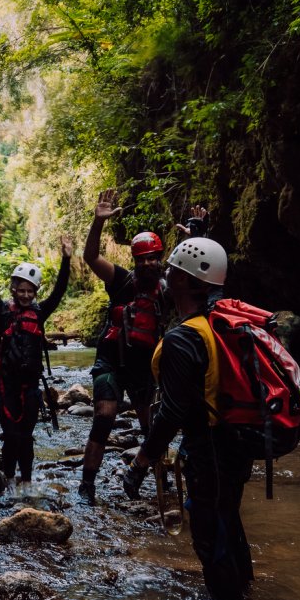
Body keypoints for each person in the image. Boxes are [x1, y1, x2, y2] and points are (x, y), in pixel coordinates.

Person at [129, 237, 255, 600]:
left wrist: (140, 463)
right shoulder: (224, 323)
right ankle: (245, 594)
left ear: (185, 281)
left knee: (208, 536)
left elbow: (171, 413)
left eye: (171, 270)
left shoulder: (184, 338)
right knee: (228, 518)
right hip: (239, 443)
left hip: (210, 448)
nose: (165, 275)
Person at [77, 189, 168, 503]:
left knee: (152, 426)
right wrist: (98, 222)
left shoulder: (168, 289)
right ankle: (87, 485)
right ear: (135, 260)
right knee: (104, 414)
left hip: (144, 368)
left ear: (162, 257)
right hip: (111, 361)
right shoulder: (122, 280)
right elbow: (90, 257)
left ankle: (156, 477)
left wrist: (198, 232)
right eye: (143, 259)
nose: (149, 263)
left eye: (154, 257)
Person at [0, 223, 72, 494]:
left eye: (29, 291)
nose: (24, 295)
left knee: (25, 437)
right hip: (2, 386)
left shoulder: (40, 312)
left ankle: (27, 481)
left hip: (30, 388)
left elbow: (58, 291)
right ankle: (9, 480)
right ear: (13, 290)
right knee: (11, 435)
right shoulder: (1, 313)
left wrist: (66, 259)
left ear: (35, 292)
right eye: (20, 290)